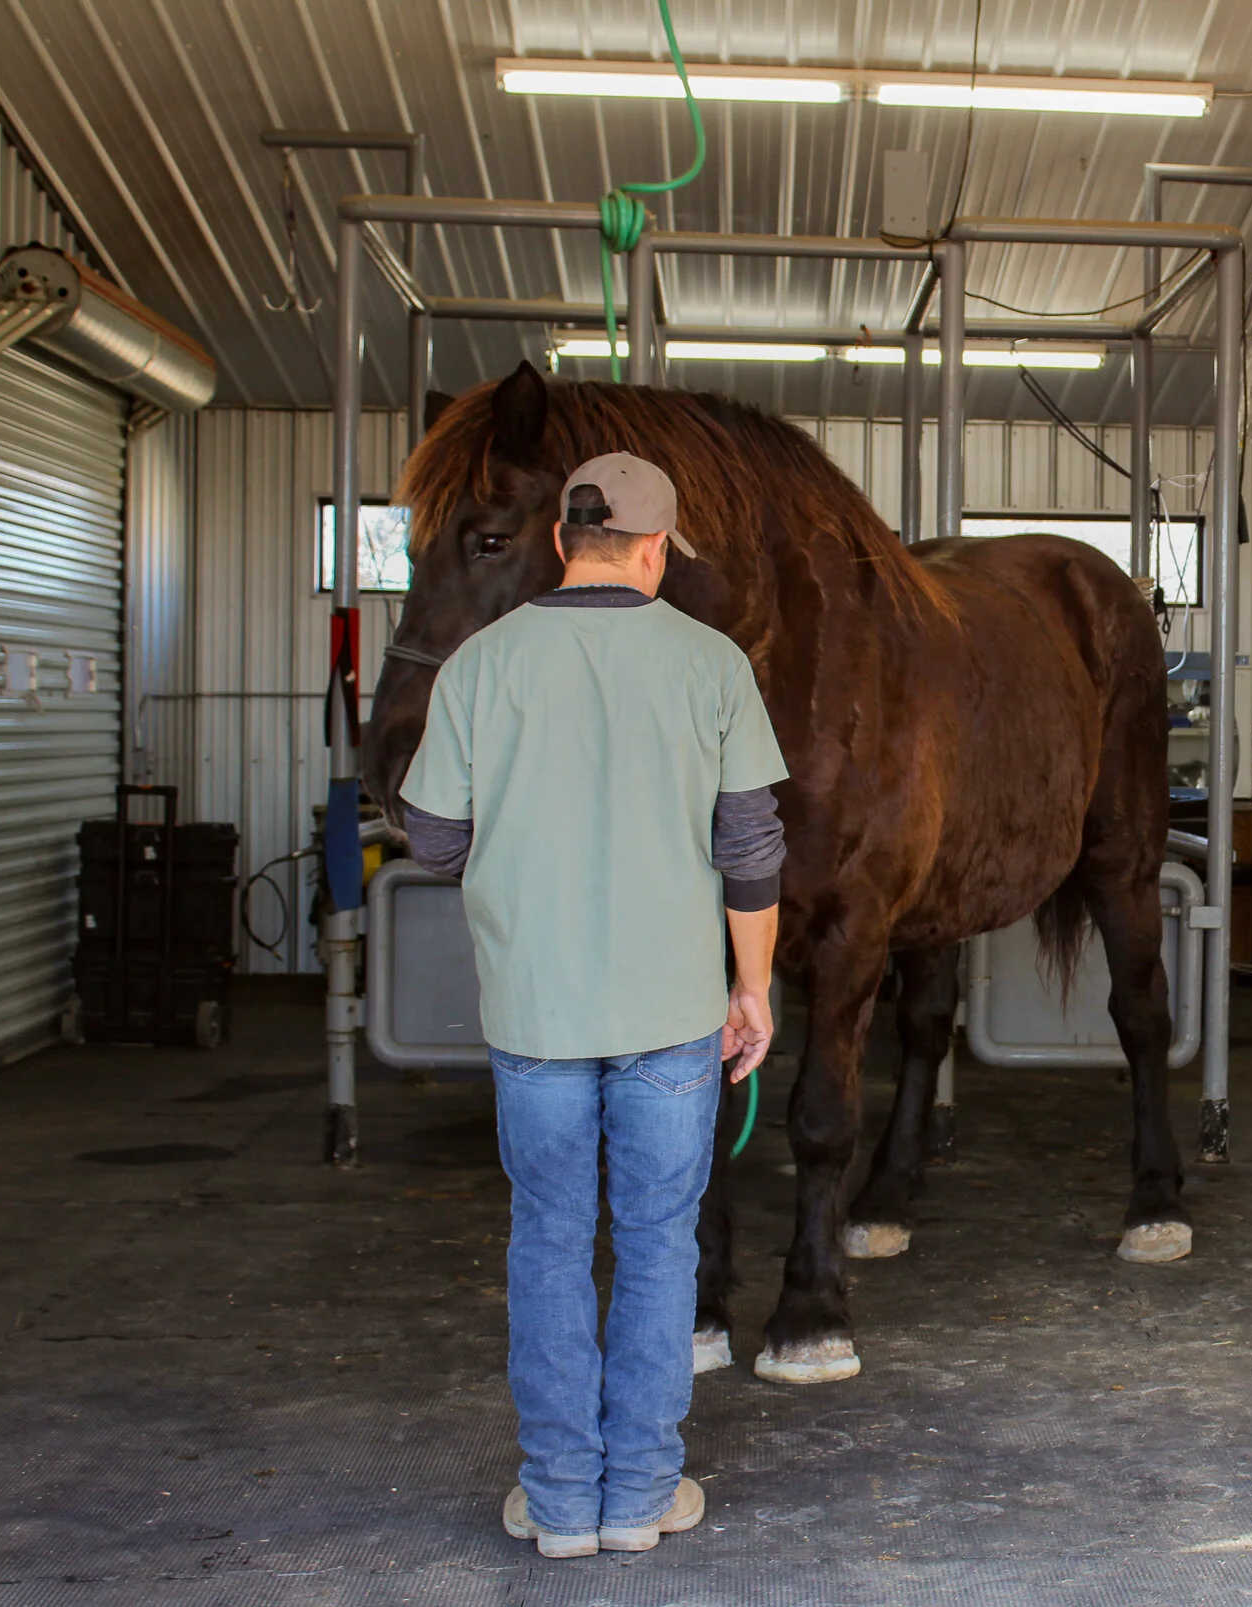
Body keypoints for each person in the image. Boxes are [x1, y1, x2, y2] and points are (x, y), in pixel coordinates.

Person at [399, 453, 789, 1558]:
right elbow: (751, 844)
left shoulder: (483, 661)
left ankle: (561, 1500)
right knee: (661, 1243)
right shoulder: (711, 661)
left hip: (535, 1011)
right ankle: (640, 1497)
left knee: (549, 1239)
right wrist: (751, 987)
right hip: (672, 1008)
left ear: (563, 541)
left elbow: (431, 833)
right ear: (658, 549)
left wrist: (516, 851)